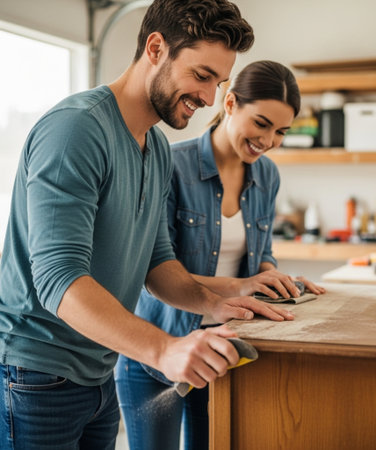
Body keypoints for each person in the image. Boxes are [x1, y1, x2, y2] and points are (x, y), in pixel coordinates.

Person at [0, 2, 296, 449]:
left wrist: (219, 302)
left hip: (99, 373)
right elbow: (58, 278)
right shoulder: (77, 130)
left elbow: (158, 264)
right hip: (35, 375)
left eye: (218, 83)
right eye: (201, 76)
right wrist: (163, 349)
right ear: (156, 48)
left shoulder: (155, 147)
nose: (209, 99)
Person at [115, 60, 326, 450]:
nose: (269, 141)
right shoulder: (171, 165)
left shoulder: (268, 176)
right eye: (261, 124)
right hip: (158, 345)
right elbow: (155, 268)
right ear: (229, 104)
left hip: (225, 349)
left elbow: (261, 255)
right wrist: (241, 286)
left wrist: (277, 281)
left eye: (281, 131)